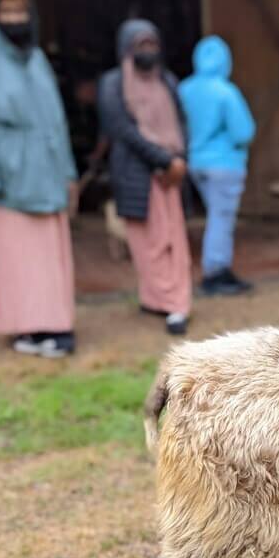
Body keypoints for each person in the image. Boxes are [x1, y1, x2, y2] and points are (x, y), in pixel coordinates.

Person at [0, 0, 78, 357]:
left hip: (46, 171)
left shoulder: (34, 57)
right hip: (6, 177)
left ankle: (51, 324)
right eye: (6, 10)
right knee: (18, 256)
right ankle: (33, 327)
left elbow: (55, 119)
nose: (14, 17)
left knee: (48, 252)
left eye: (20, 9)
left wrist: (68, 172)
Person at [99, 19, 192, 335]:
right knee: (144, 242)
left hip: (170, 177)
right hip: (138, 173)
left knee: (172, 241)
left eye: (152, 44)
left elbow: (182, 123)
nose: (147, 50)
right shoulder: (113, 84)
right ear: (127, 48)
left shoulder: (168, 80)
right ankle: (155, 299)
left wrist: (177, 161)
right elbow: (121, 129)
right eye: (140, 44)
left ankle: (177, 305)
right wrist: (163, 160)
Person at [179, 35, 256, 296]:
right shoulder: (225, 92)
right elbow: (243, 131)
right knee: (221, 220)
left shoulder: (184, 89)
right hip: (224, 164)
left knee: (215, 217)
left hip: (195, 162)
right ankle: (216, 272)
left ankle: (217, 267)